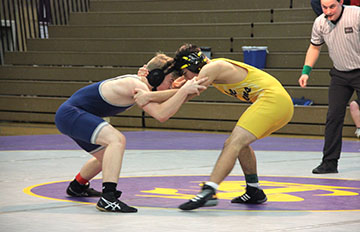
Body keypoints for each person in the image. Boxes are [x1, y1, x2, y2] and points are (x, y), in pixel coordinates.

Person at [135, 44, 294, 210]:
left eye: (184, 73)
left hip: (273, 101)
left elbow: (184, 93)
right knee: (240, 144)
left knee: (232, 144)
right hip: (277, 102)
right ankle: (254, 190)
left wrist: (148, 96)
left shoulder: (212, 68)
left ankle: (210, 189)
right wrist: (148, 84)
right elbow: (182, 93)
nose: (186, 78)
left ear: (193, 65)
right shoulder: (209, 70)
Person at [55, 53, 207, 213]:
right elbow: (161, 115)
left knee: (107, 157)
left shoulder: (142, 83)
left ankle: (77, 186)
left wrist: (183, 90)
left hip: (74, 115)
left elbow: (164, 101)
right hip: (72, 114)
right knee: (116, 140)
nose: (171, 87)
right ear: (155, 76)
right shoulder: (136, 85)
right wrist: (183, 91)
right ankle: (108, 198)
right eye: (170, 82)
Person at [298, 0, 360, 174]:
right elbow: (314, 47)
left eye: (332, 6)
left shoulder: (356, 14)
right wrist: (306, 72)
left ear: (341, 2)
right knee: (333, 117)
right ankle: (329, 163)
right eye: (324, 7)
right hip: (340, 75)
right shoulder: (320, 22)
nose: (328, 11)